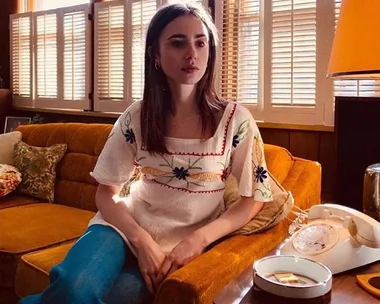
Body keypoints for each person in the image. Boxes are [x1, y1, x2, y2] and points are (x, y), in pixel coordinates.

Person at [18, 2, 272, 304]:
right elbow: (106, 192)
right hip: (121, 228)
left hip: (180, 245)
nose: (192, 54)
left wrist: (199, 239)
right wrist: (141, 240)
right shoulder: (136, 117)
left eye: (200, 42)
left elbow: (253, 198)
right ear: (155, 54)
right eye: (177, 43)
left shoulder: (236, 120)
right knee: (74, 289)